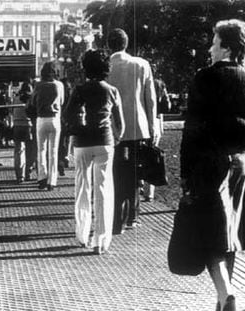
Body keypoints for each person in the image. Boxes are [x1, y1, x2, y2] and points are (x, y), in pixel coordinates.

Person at [179, 20, 245, 311]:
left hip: (210, 162)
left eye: (214, 41)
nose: (210, 48)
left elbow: (192, 130)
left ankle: (226, 293)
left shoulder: (204, 78)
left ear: (227, 47)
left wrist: (186, 174)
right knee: (231, 233)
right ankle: (222, 301)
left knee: (209, 233)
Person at [63, 49, 125, 255]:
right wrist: (115, 138)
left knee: (82, 188)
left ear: (85, 67)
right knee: (104, 190)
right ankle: (101, 240)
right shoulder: (112, 91)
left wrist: (75, 132)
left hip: (82, 143)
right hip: (105, 142)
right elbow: (121, 125)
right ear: (106, 68)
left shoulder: (79, 90)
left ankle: (82, 235)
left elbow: (67, 115)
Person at [106, 28, 160, 233]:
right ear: (126, 44)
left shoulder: (106, 66)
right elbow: (150, 99)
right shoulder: (142, 64)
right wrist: (153, 126)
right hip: (138, 126)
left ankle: (116, 216)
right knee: (135, 172)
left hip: (113, 128)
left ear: (108, 45)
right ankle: (133, 216)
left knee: (116, 171)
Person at [28, 62, 64, 191]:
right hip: (55, 119)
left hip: (41, 119)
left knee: (41, 150)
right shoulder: (59, 85)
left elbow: (32, 102)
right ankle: (52, 181)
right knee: (53, 151)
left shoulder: (38, 85)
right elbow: (62, 101)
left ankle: (42, 178)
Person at [143, 76, 172, 202]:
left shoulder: (143, 84)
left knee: (142, 154)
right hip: (157, 120)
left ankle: (141, 183)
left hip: (145, 120)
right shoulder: (160, 85)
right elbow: (166, 106)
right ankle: (150, 191)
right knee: (153, 156)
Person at [13, 81, 35, 183]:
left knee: (19, 151)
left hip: (17, 126)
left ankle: (19, 175)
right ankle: (28, 173)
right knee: (30, 151)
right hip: (28, 126)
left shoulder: (16, 99)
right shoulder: (31, 100)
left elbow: (10, 112)